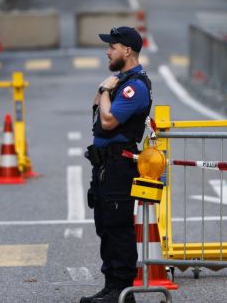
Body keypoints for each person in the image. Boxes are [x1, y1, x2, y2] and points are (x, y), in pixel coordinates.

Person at [81, 26, 152, 303]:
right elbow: (97, 107)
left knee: (118, 228)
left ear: (127, 50)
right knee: (106, 227)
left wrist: (106, 91)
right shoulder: (120, 81)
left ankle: (122, 290)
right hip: (104, 166)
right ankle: (111, 288)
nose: (107, 51)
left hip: (119, 166)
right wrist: (104, 89)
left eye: (112, 46)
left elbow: (108, 120)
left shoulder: (135, 86)